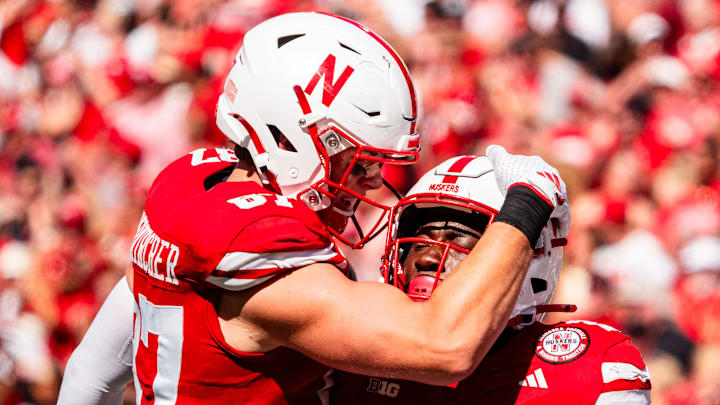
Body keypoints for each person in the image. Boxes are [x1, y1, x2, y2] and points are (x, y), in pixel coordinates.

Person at [58, 12, 570, 405]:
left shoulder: (195, 178)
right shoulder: (265, 244)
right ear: (288, 132)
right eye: (357, 158)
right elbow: (445, 347)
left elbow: (92, 371)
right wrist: (528, 201)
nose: (371, 180)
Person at [331, 155, 652, 404]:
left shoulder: (587, 367)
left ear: (528, 261)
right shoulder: (351, 351)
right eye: (420, 240)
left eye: (458, 243)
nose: (428, 257)